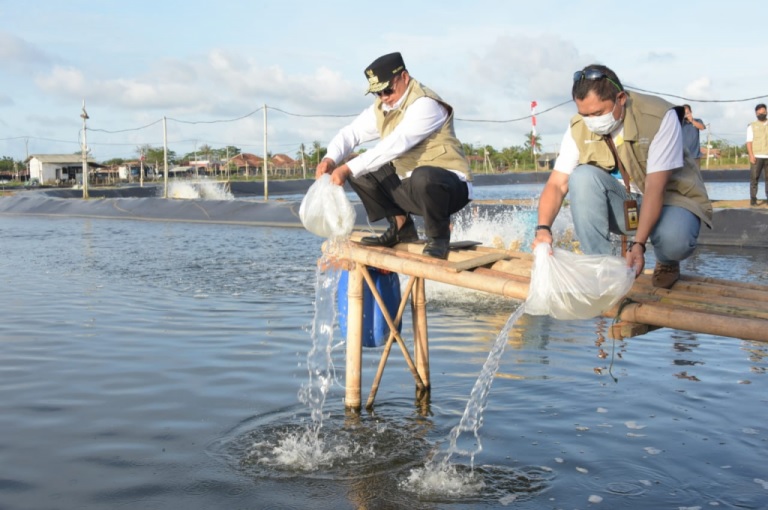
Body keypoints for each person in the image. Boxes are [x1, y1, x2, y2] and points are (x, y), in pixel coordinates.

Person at [533, 64, 712, 289]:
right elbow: (557, 184)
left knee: (675, 241)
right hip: (625, 204)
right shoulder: (579, 126)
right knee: (581, 177)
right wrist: (543, 229)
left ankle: (667, 262)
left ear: (620, 98)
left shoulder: (658, 117)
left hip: (668, 200)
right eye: (585, 114)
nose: (592, 121)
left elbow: (655, 188)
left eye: (598, 113)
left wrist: (638, 245)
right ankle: (601, 268)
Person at [315, 52, 472, 259]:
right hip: (410, 187)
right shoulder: (384, 107)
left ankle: (439, 238)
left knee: (423, 175)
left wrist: (345, 170)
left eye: (387, 90)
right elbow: (350, 133)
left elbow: (396, 144)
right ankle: (401, 226)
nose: (384, 98)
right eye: (377, 93)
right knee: (356, 167)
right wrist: (330, 159)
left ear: (404, 77)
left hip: (448, 188)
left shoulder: (426, 104)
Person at [746, 103, 768, 206]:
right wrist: (751, 155)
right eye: (759, 112)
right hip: (757, 156)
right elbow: (749, 141)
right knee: (754, 178)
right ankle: (753, 199)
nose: (762, 114)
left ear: (766, 112)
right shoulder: (752, 126)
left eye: (763, 112)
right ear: (756, 113)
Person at [681, 104, 706, 168]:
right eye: (684, 113)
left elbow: (702, 127)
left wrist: (691, 120)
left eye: (687, 113)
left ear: (691, 112)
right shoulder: (680, 123)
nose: (686, 115)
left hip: (695, 156)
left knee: (696, 176)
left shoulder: (697, 121)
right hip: (682, 156)